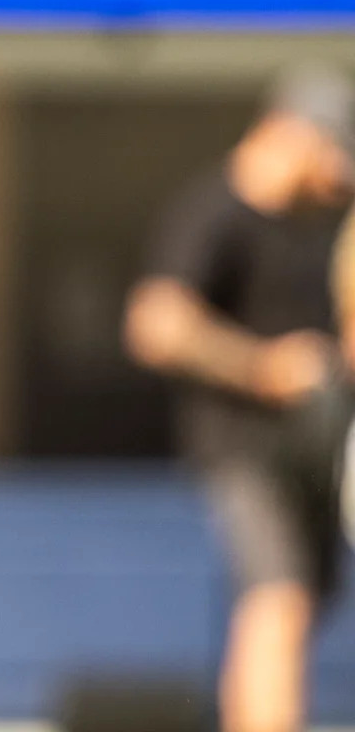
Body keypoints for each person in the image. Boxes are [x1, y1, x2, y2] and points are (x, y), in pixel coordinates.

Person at [124, 64, 355, 732]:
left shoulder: (316, 222)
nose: (338, 173)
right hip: (244, 449)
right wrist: (263, 368)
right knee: (278, 597)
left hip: (315, 448)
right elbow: (155, 325)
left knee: (303, 601)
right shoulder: (214, 212)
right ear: (291, 134)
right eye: (332, 152)